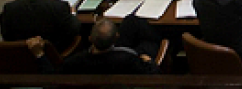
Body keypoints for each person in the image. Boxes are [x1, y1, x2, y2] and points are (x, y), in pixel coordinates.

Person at [28, 17, 161, 74]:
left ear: (90, 39)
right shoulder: (129, 60)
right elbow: (153, 74)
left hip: (111, 58)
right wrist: (149, 62)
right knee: (148, 41)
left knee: (131, 21)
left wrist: (39, 54)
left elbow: (51, 78)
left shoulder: (75, 62)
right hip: (124, 58)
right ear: (116, 37)